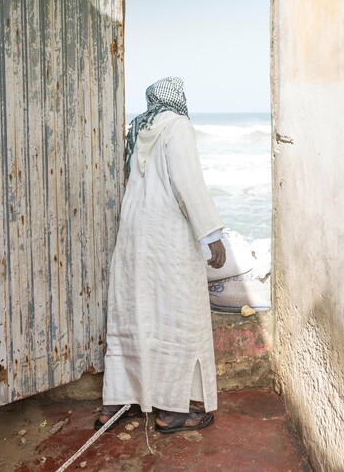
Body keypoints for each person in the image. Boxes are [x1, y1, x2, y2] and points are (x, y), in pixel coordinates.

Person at [96, 77, 226, 433]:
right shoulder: (178, 126)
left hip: (134, 232)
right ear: (178, 100)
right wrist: (211, 234)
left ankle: (117, 402)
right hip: (167, 235)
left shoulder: (140, 129)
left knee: (134, 310)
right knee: (176, 315)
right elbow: (188, 182)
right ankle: (172, 411)